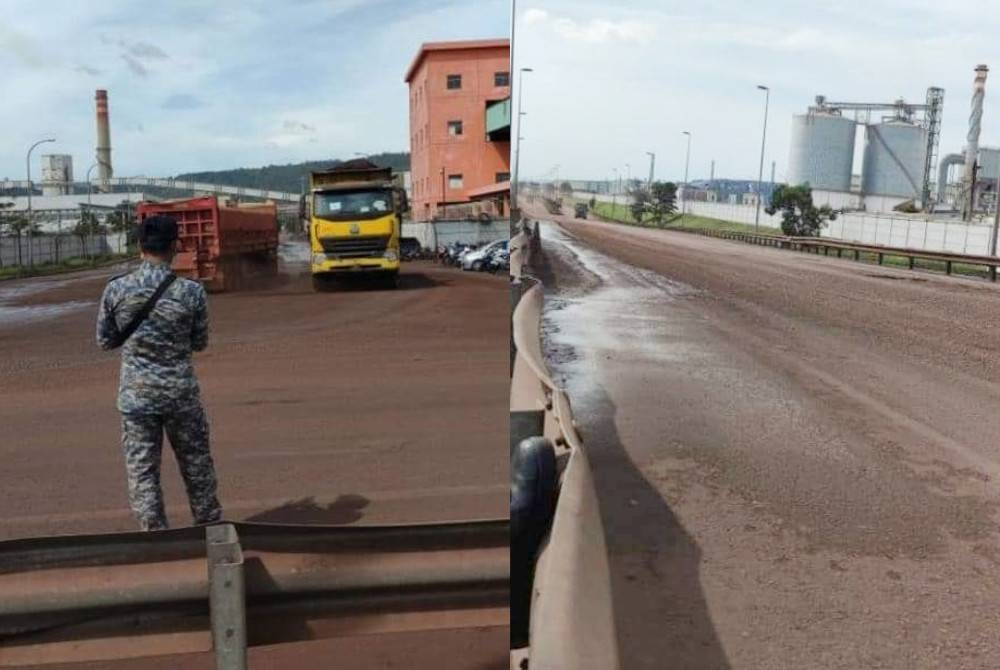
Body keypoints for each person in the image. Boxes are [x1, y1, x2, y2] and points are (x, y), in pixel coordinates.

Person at [96, 215, 222, 530]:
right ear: (175, 247)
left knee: (142, 471)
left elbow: (105, 341)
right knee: (197, 467)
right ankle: (209, 532)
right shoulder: (191, 292)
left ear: (140, 246)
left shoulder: (116, 289)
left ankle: (155, 537)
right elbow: (200, 341)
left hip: (137, 397)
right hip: (180, 395)